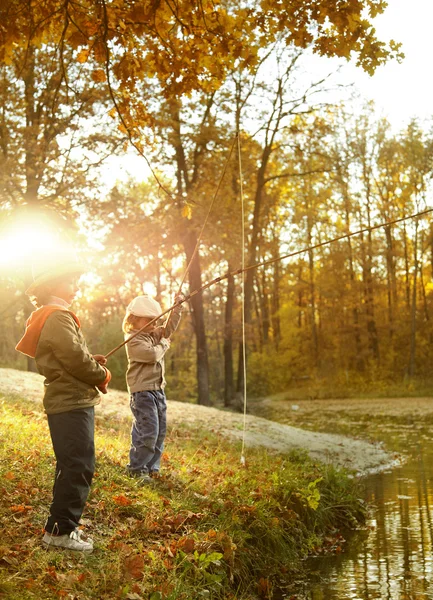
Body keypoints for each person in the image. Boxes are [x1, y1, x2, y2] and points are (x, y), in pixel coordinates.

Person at [15, 256, 111, 553]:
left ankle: (60, 527)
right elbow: (73, 359)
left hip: (68, 400)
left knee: (72, 463)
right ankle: (59, 532)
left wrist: (88, 359)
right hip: (71, 401)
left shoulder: (52, 315)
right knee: (79, 464)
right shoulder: (57, 316)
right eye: (71, 280)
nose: (77, 285)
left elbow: (68, 355)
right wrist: (101, 374)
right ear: (53, 284)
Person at [122, 293, 184, 484]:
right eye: (148, 319)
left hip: (158, 390)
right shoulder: (132, 339)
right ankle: (137, 469)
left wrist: (177, 308)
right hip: (142, 392)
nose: (153, 323)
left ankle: (151, 468)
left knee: (159, 432)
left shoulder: (152, 334)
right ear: (134, 319)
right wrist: (164, 345)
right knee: (148, 431)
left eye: (155, 320)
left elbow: (168, 329)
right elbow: (151, 356)